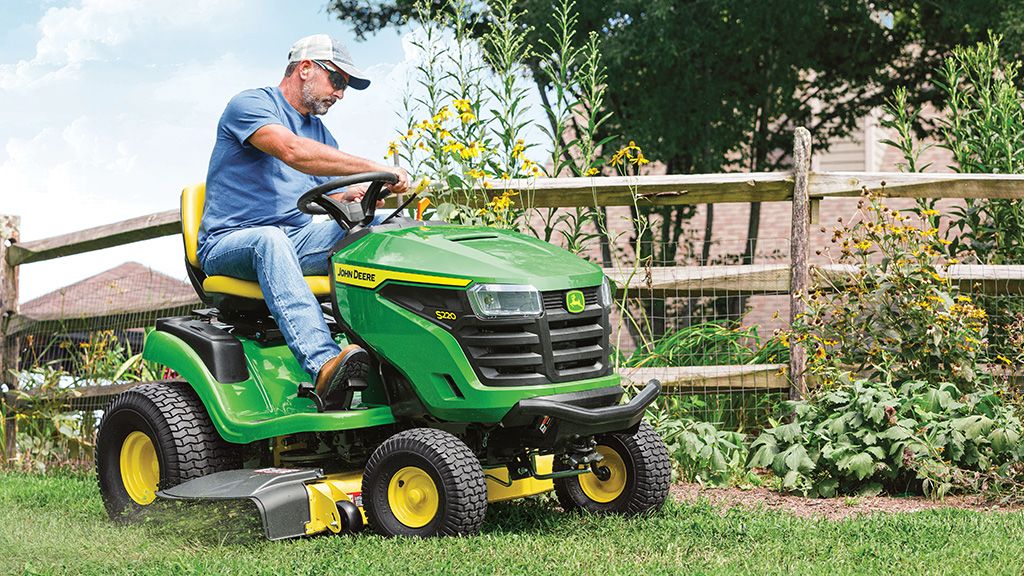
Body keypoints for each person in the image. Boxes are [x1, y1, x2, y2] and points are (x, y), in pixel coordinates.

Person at [196, 34, 409, 406]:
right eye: (338, 81)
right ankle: (324, 364)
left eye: (345, 87)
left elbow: (334, 193)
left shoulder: (319, 132)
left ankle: (401, 361)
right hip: (230, 242)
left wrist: (369, 190)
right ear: (306, 68)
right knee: (269, 241)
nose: (341, 94)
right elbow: (293, 152)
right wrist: (376, 165)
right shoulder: (251, 104)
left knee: (383, 232)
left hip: (297, 238)